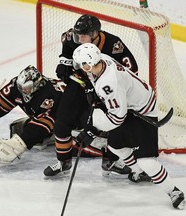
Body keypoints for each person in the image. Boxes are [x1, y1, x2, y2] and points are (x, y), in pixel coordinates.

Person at [72, 43, 186, 209]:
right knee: (115, 145)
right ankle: (139, 172)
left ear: (89, 64)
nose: (81, 68)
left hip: (143, 112)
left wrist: (92, 131)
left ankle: (174, 191)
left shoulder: (108, 84)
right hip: (130, 106)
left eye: (82, 65)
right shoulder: (102, 60)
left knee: (147, 161)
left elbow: (117, 118)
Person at [44, 14, 137, 176]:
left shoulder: (113, 45)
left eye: (83, 36)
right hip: (79, 82)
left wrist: (115, 88)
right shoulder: (70, 37)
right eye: (77, 35)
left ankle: (111, 161)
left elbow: (131, 70)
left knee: (113, 123)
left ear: (95, 34)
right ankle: (63, 162)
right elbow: (66, 54)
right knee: (62, 121)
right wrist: (63, 64)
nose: (78, 39)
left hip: (105, 88)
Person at [0, 65, 102, 165]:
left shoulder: (50, 95)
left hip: (82, 112)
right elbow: (2, 101)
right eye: (21, 87)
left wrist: (18, 144)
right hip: (55, 115)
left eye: (28, 88)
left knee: (67, 137)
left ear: (38, 84)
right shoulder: (16, 86)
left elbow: (47, 121)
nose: (23, 91)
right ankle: (46, 137)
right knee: (19, 128)